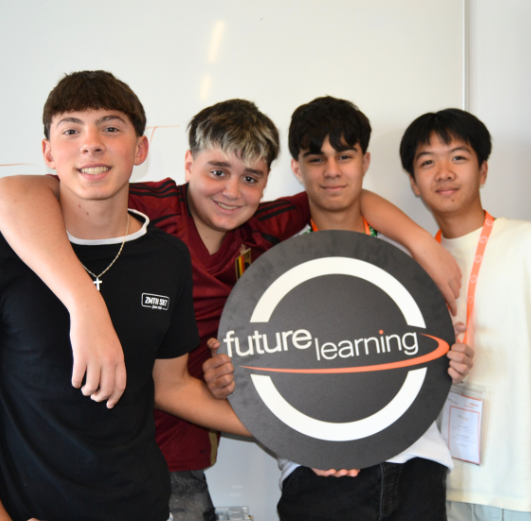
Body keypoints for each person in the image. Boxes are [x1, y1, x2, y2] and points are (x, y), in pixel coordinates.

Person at [0, 95, 462, 520]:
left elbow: (337, 194)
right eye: (217, 172)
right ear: (188, 164)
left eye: (251, 178)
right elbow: (18, 194)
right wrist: (86, 303)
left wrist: (421, 241)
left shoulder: (262, 229)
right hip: (68, 450)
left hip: (172, 455)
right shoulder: (143, 207)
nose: (233, 191)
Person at [207, 96, 474, 521]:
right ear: (297, 169)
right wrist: (224, 376)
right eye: (316, 159)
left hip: (416, 464)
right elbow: (251, 373)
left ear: (365, 162)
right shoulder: (270, 271)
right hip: (316, 473)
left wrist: (453, 360)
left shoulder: (410, 265)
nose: (332, 171)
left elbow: (432, 354)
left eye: (344, 156)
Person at [0, 70, 250, 521]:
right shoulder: (12, 247)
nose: (91, 144)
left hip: (139, 505)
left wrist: (291, 434)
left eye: (111, 128)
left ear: (141, 149)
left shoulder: (168, 257)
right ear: (48, 152)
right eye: (71, 130)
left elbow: (171, 385)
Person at [400, 108, 531, 521]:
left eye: (458, 157)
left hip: (520, 486)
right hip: (443, 484)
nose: (444, 172)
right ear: (413, 183)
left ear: (484, 170)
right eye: (427, 162)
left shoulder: (524, 242)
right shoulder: (408, 273)